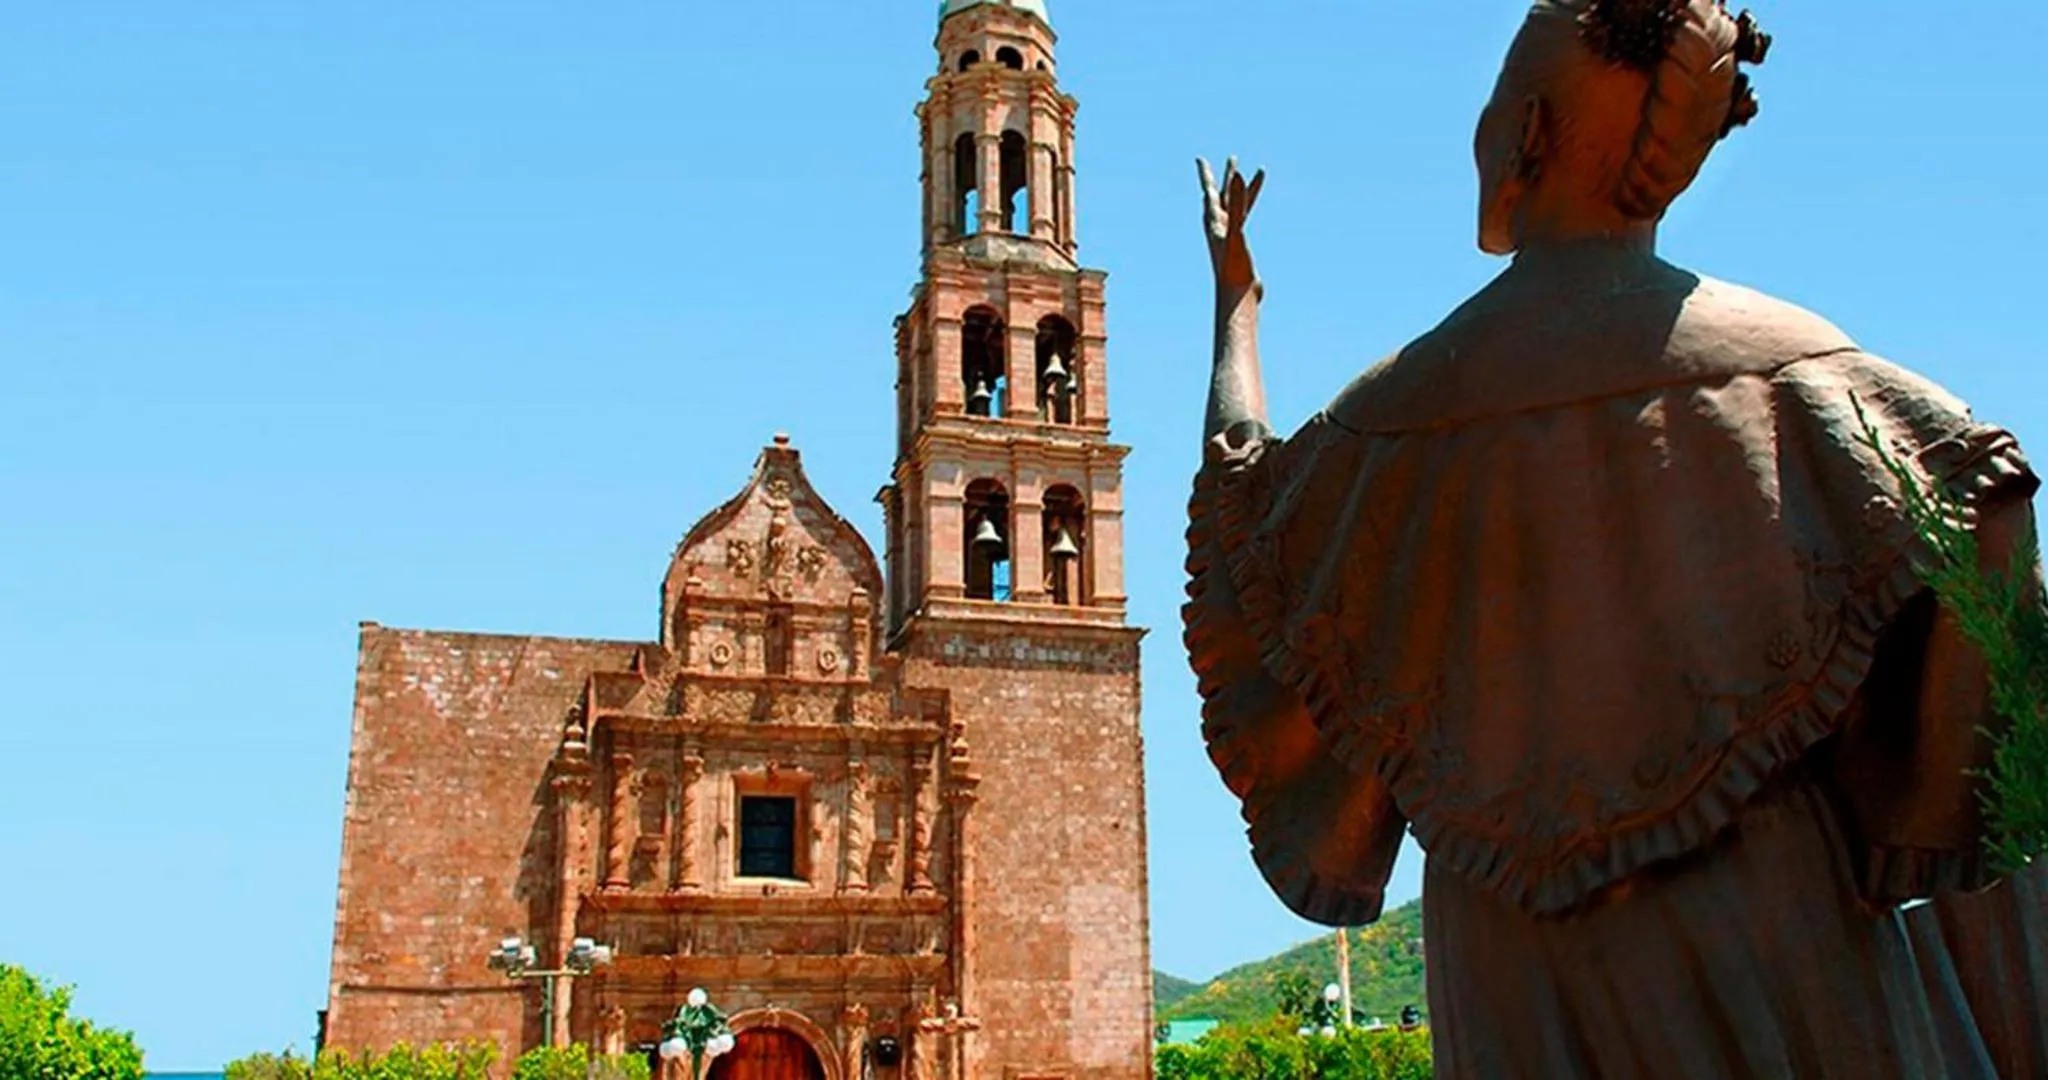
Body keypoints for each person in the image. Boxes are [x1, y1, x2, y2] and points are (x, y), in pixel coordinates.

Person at [1181, 1, 2045, 1076]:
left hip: (1506, 949)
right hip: (1776, 923)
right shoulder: (1801, 372)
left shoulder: (1393, 418)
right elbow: (1987, 507)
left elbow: (1244, 504)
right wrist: (1903, 814)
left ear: (1525, 134)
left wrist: (1235, 316)